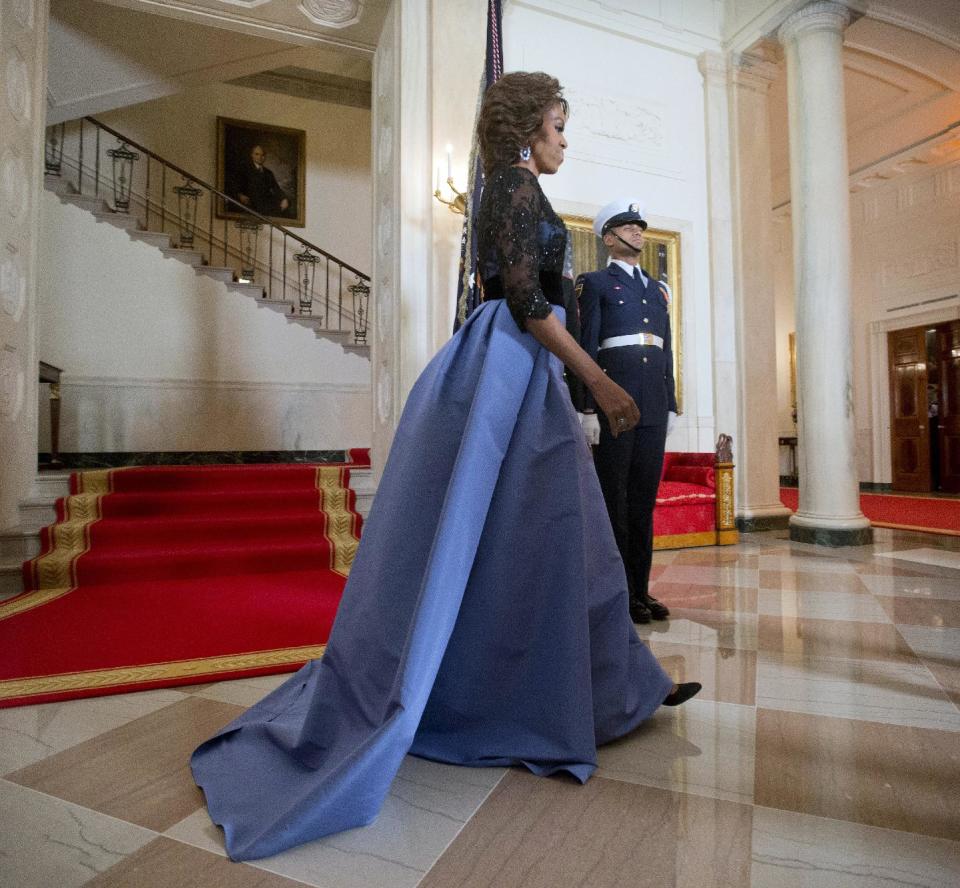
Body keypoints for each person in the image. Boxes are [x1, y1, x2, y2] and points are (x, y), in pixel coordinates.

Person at [191, 72, 699, 863]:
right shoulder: (514, 189)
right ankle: (516, 694)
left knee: (566, 542)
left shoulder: (513, 188)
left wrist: (575, 387)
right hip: (510, 367)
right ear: (530, 130)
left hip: (519, 371)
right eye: (560, 127)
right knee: (523, 541)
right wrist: (595, 380)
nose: (566, 140)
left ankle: (626, 686)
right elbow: (530, 305)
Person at [577, 201, 678, 625]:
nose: (638, 232)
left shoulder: (657, 290)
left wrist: (670, 403)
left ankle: (640, 589)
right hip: (613, 405)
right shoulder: (595, 283)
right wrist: (586, 407)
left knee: (642, 503)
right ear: (609, 237)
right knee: (614, 501)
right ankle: (616, 592)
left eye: (640, 226)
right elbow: (585, 348)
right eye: (627, 226)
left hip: (652, 405)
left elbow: (666, 349)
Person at [231, 144, 290, 217]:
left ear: (265, 157)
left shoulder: (268, 173)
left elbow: (276, 188)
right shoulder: (244, 169)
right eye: (257, 154)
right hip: (249, 204)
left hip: (265, 205)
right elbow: (235, 186)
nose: (260, 157)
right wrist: (240, 195)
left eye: (262, 155)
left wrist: (284, 199)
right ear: (252, 155)